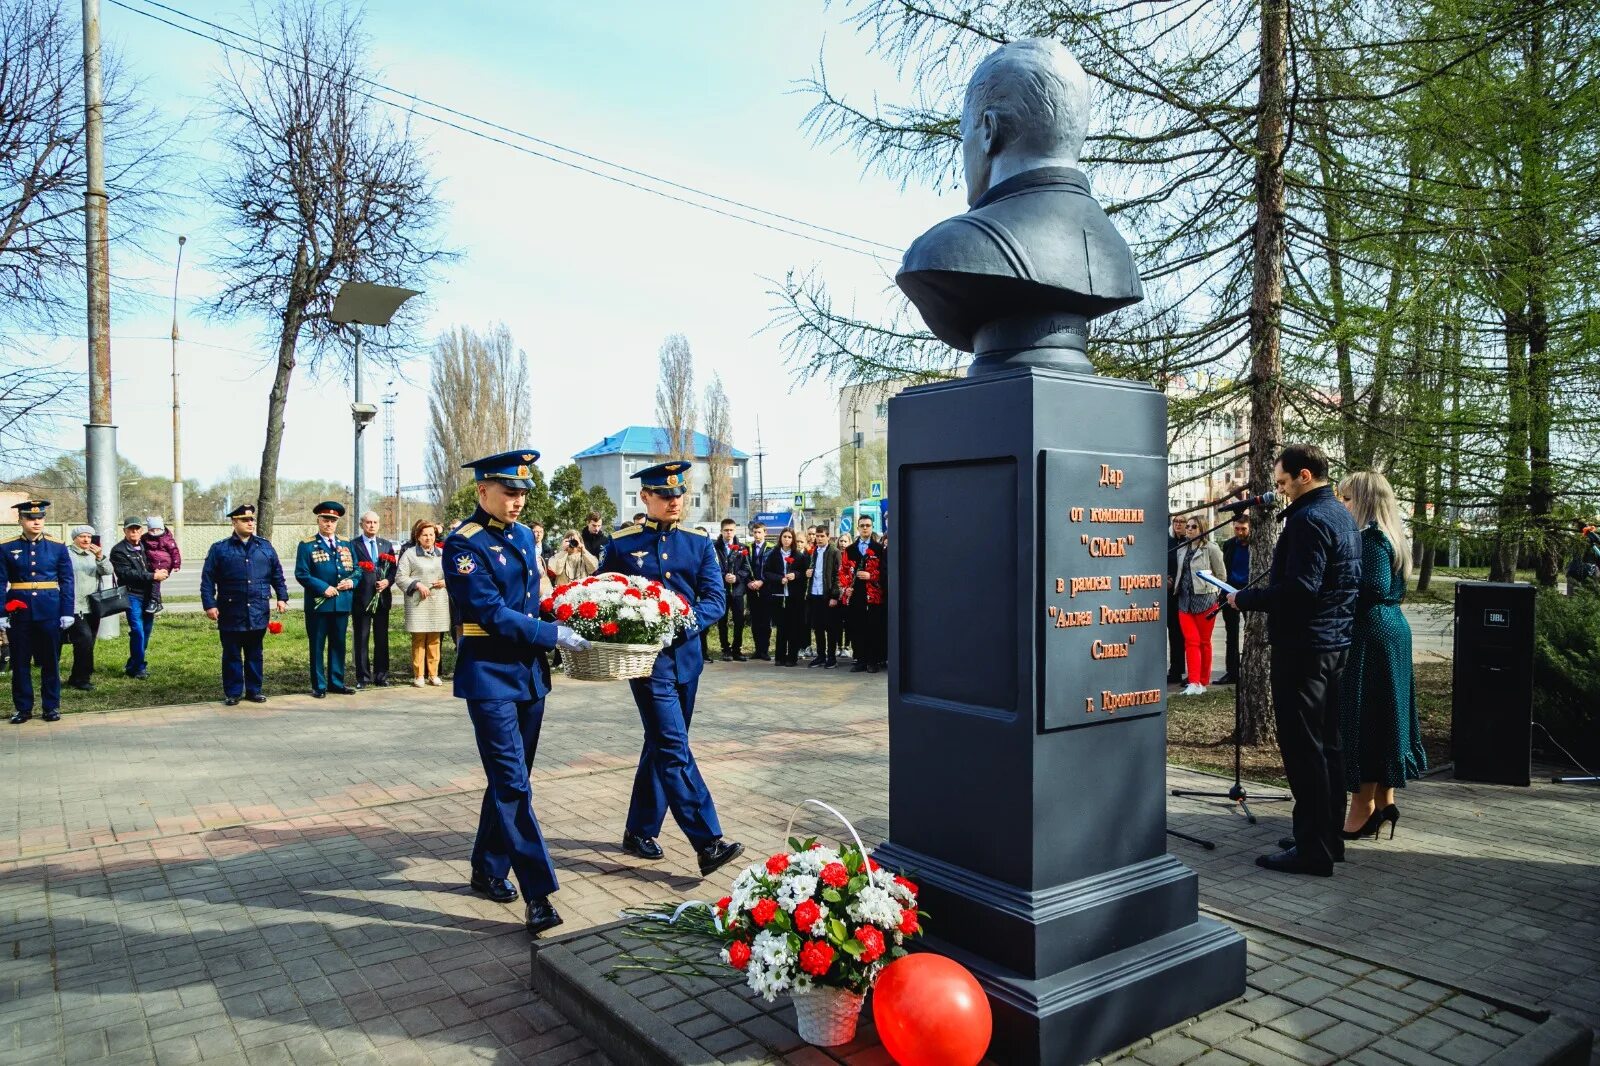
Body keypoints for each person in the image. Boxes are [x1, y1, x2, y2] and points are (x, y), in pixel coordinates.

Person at [443, 450, 591, 935]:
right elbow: (489, 613)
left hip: (528, 677)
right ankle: (539, 893)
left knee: (512, 779)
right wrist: (551, 636)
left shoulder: (526, 536)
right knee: (511, 783)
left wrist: (566, 616)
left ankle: (487, 867)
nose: (518, 501)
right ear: (482, 491)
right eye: (509, 492)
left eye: (523, 493)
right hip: (489, 677)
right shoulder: (463, 545)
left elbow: (529, 602)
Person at [597, 459, 744, 877]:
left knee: (662, 743)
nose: (674, 501)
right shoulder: (623, 545)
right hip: (647, 664)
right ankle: (707, 841)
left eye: (679, 494)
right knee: (674, 746)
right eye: (665, 495)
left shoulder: (698, 544)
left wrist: (681, 623)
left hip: (687, 660)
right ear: (646, 497)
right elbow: (599, 590)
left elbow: (714, 599)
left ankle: (639, 829)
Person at [1229, 444, 1362, 876]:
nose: (1280, 491)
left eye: (1283, 482)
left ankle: (1313, 851)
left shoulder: (1308, 519)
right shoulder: (1341, 515)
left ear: (1305, 475)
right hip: (1334, 644)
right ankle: (1325, 838)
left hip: (1305, 649)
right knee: (1328, 747)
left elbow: (1301, 591)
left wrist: (1244, 598)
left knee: (1306, 752)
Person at [1336, 472, 1427, 840]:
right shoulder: (1393, 536)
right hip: (1391, 630)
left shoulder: (1371, 539)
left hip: (1371, 635)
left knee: (1365, 716)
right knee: (1386, 711)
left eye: (1346, 499)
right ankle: (1385, 801)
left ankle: (1362, 808)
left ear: (1362, 501)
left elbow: (1371, 587)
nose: (1342, 505)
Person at [200, 504, 290, 706]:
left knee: (254, 653)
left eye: (252, 520)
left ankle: (254, 690)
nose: (250, 523)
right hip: (231, 610)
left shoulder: (264, 547)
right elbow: (208, 579)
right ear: (234, 522)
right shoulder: (220, 549)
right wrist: (209, 604)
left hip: (258, 609)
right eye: (245, 520)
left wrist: (282, 597)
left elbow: (277, 574)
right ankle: (233, 692)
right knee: (231, 653)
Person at [2, 500, 74, 724]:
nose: (36, 522)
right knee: (20, 662)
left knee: (50, 661)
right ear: (20, 520)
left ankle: (51, 707)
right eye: (30, 518)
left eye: (40, 518)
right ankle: (23, 708)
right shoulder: (5, 547)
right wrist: (0, 613)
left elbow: (67, 581)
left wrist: (67, 611)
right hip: (19, 612)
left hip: (49, 611)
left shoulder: (57, 546)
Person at [294, 501, 357, 699]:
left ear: (337, 522)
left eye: (333, 520)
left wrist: (352, 581)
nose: (329, 524)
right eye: (325, 520)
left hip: (341, 603)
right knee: (318, 645)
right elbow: (302, 574)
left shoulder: (346, 544)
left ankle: (336, 682)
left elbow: (358, 569)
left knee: (339, 644)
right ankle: (319, 685)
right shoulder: (307, 545)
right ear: (318, 520)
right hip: (319, 604)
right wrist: (323, 588)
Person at [1174, 516, 1226, 695]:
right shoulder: (1182, 549)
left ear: (1202, 528)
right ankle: (1193, 681)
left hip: (1205, 601)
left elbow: (1221, 575)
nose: (1188, 529)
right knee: (1191, 641)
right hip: (1184, 601)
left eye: (1193, 526)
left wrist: (1214, 594)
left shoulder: (1211, 549)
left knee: (1204, 642)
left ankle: (1203, 681)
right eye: (1187, 526)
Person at [396, 519, 450, 686]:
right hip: (418, 602)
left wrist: (445, 581)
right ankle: (419, 675)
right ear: (418, 537)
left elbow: (453, 574)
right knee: (419, 638)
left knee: (435, 639)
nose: (428, 538)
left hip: (438, 602)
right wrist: (417, 584)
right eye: (424, 535)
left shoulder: (442, 554)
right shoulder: (409, 554)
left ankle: (433, 674)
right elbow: (400, 577)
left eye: (431, 535)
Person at [109, 517, 162, 680]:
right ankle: (139, 667)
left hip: (149, 595)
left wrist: (164, 569)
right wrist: (153, 575)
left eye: (138, 529)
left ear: (142, 530)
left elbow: (162, 556)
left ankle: (133, 665)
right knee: (138, 631)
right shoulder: (118, 550)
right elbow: (126, 574)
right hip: (132, 595)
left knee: (145, 632)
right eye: (131, 529)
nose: (134, 532)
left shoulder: (147, 546)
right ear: (124, 531)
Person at [351, 511, 397, 689]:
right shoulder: (353, 544)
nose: (372, 525)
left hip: (382, 598)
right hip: (361, 599)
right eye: (368, 522)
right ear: (362, 524)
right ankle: (363, 676)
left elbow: (393, 569)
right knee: (362, 638)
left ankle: (381, 675)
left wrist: (387, 581)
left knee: (381, 638)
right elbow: (352, 568)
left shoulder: (385, 545)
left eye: (375, 522)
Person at [65, 525, 112, 692]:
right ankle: (81, 678)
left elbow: (108, 571)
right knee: (83, 639)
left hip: (93, 606)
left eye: (89, 537)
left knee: (88, 641)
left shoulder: (94, 554)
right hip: (75, 605)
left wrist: (100, 557)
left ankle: (79, 674)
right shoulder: (66, 554)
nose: (86, 540)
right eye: (82, 537)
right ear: (74, 538)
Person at [840, 516, 887, 672]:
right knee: (856, 627)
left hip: (874, 595)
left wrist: (871, 576)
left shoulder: (879, 549)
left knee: (874, 628)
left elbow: (886, 572)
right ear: (858, 528)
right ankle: (860, 660)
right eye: (862, 525)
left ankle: (873, 661)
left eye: (868, 525)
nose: (865, 528)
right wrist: (847, 588)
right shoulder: (850, 549)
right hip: (855, 595)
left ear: (872, 527)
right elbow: (843, 571)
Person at [762, 527, 807, 666]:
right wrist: (779, 579)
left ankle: (792, 657)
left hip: (793, 597)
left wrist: (795, 575)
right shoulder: (773, 554)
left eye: (789, 537)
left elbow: (804, 573)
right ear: (780, 538)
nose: (786, 539)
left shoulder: (799, 556)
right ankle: (780, 656)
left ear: (793, 539)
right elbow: (767, 572)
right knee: (781, 628)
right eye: (784, 536)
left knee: (793, 627)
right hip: (778, 596)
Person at [1217, 513, 1251, 683]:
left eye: (1243, 529)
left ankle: (1249, 670)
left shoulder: (1256, 545)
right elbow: (1225, 569)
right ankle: (1232, 672)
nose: (1239, 532)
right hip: (1230, 591)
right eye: (1236, 528)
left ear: (1250, 528)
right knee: (1231, 635)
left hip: (1250, 592)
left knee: (1251, 634)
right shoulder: (1229, 545)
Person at [713, 518, 750, 661]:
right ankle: (725, 649)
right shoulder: (714, 547)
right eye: (726, 530)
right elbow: (712, 567)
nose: (729, 533)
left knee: (739, 620)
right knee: (722, 620)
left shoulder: (742, 548)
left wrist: (737, 577)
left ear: (735, 531)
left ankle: (737, 649)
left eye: (731, 530)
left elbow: (746, 568)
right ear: (721, 531)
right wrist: (724, 577)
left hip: (737, 590)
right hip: (722, 589)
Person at [806, 525, 842, 669]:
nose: (819, 539)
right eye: (817, 536)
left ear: (828, 537)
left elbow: (838, 575)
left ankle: (831, 657)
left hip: (828, 595)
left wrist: (835, 595)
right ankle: (821, 655)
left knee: (830, 627)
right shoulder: (814, 552)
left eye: (822, 536)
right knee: (818, 627)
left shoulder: (834, 552)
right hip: (815, 593)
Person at [745, 522, 773, 660]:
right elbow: (744, 567)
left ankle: (765, 650)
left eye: (759, 532)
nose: (757, 535)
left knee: (765, 621)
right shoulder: (747, 548)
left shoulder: (771, 549)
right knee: (755, 620)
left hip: (766, 589)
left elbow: (772, 569)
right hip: (752, 589)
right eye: (755, 532)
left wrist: (762, 581)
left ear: (765, 533)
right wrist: (749, 582)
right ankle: (757, 649)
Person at [141, 515, 180, 612]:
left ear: (162, 528)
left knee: (155, 580)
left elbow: (174, 552)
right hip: (152, 564)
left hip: (164, 564)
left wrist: (176, 564)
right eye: (152, 530)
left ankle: (154, 601)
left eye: (157, 530)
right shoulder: (145, 538)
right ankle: (158, 603)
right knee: (151, 581)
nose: (154, 533)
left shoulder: (167, 539)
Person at [1167, 513, 1187, 684]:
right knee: (1172, 633)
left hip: (1184, 594)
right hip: (1168, 593)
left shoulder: (1190, 542)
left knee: (1182, 634)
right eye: (1176, 521)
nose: (1178, 524)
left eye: (1182, 522)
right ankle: (1174, 670)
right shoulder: (1167, 542)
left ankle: (1181, 669)